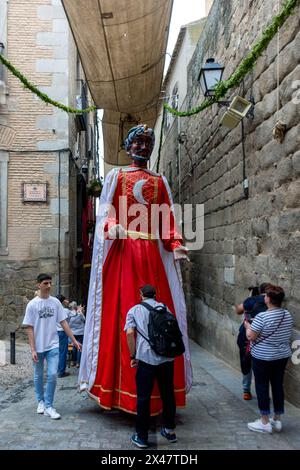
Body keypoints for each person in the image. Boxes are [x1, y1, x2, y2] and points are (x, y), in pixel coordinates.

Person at [79, 124, 192, 414]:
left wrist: (175, 242)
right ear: (128, 147)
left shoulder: (160, 181)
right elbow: (105, 212)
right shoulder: (117, 176)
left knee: (158, 318)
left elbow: (166, 217)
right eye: (138, 142)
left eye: (147, 143)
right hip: (125, 255)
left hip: (152, 256)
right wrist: (110, 226)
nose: (142, 147)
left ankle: (159, 393)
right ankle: (118, 391)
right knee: (123, 314)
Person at [125, 285, 178, 448]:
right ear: (155, 295)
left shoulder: (134, 310)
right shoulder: (165, 307)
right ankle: (169, 431)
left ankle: (141, 436)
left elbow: (129, 333)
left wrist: (133, 356)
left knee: (143, 398)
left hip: (146, 358)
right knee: (168, 394)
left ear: (140, 294)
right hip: (166, 358)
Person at [22, 273, 82, 419]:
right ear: (39, 285)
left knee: (53, 375)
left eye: (50, 283)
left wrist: (73, 340)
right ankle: (40, 401)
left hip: (53, 345)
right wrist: (33, 349)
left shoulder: (55, 302)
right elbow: (29, 327)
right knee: (38, 375)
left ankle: (49, 405)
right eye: (45, 283)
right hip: (38, 346)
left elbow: (63, 322)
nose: (49, 286)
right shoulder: (32, 305)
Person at [245, 285, 293, 433]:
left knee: (262, 386)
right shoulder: (287, 315)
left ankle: (264, 422)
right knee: (278, 385)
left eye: (266, 296)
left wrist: (247, 326)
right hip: (282, 356)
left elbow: (251, 336)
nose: (264, 297)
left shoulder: (262, 317)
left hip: (263, 357)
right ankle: (277, 420)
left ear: (269, 299)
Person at [235, 283, 270, 400]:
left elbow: (238, 310)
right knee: (263, 365)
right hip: (265, 337)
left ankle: (246, 391)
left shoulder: (251, 300)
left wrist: (249, 297)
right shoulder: (274, 302)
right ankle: (263, 392)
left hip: (247, 337)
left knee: (246, 362)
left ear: (259, 291)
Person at [56, 294, 71, 378]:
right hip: (63, 332)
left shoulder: (54, 309)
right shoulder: (65, 310)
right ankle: (61, 371)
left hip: (56, 331)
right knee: (63, 352)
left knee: (57, 351)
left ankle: (57, 369)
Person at [68, 301, 85, 367]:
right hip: (81, 333)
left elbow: (68, 324)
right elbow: (84, 319)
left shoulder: (69, 314)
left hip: (73, 333)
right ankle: (78, 363)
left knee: (73, 347)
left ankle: (72, 361)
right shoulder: (79, 314)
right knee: (79, 348)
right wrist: (81, 312)